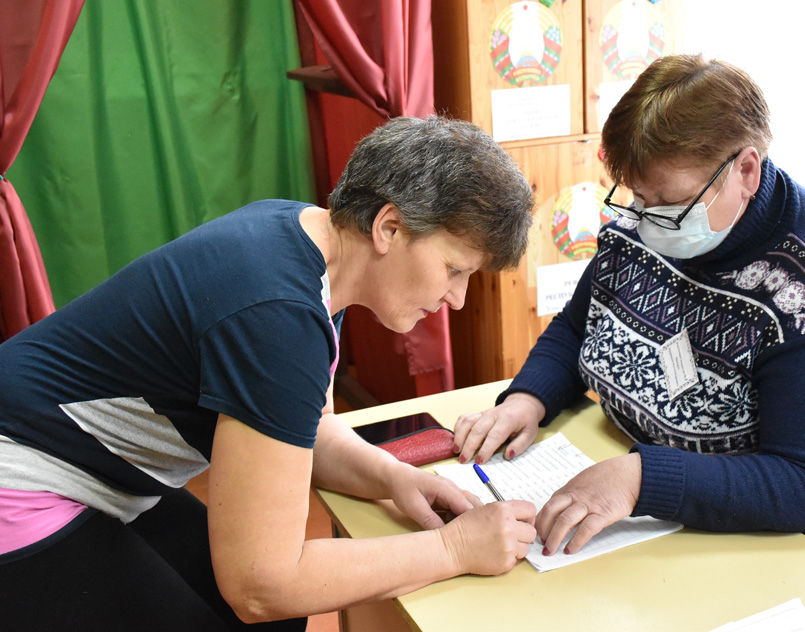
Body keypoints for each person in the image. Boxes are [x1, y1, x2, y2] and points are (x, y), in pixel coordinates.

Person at [0, 115, 537, 630]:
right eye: (454, 269)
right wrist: (454, 548)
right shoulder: (278, 315)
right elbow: (261, 586)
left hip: (94, 472)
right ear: (389, 227)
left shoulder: (306, 242)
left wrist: (391, 477)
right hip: (25, 476)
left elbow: (301, 429)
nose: (457, 298)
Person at [453, 54, 805, 574]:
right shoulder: (653, 218)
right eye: (637, 197)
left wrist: (641, 479)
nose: (646, 221)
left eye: (668, 204)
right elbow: (579, 326)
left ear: (745, 171)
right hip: (663, 484)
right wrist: (528, 399)